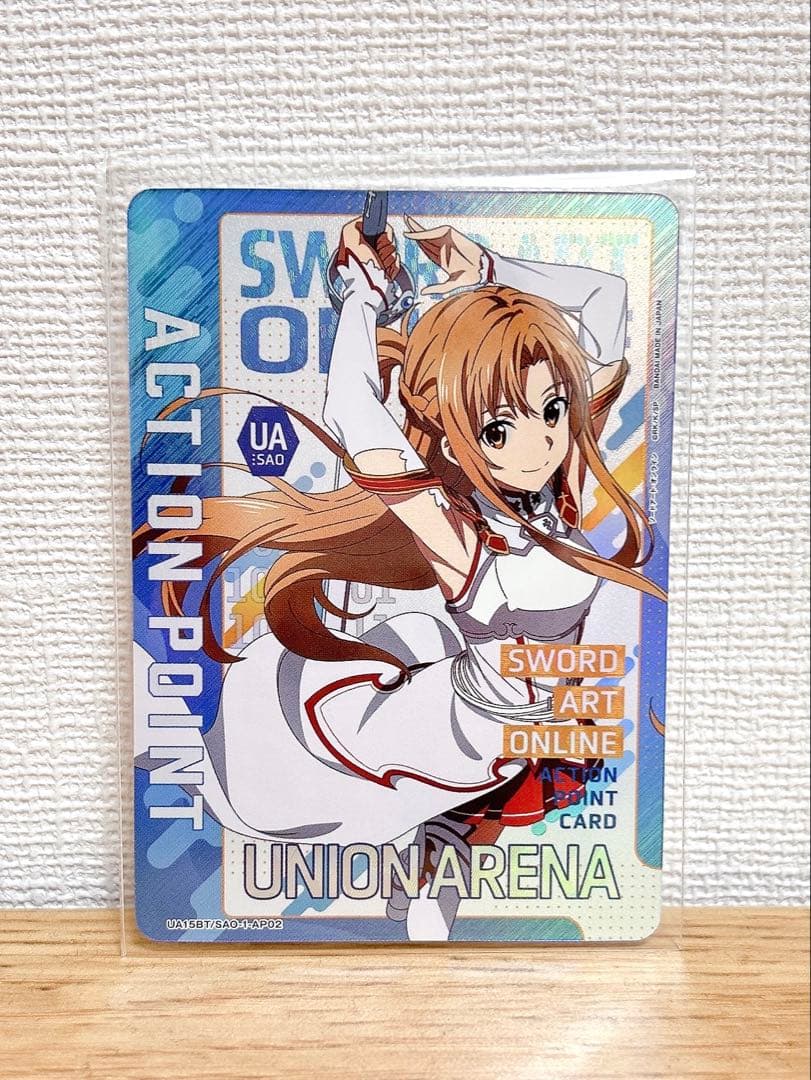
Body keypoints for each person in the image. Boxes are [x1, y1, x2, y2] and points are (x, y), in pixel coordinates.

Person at [135, 214, 665, 940]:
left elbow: (608, 298)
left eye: (550, 411)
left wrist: (485, 266)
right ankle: (194, 761)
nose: (539, 442)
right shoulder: (463, 538)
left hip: (513, 743)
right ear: (454, 432)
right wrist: (362, 297)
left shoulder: (560, 486)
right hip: (452, 726)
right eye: (498, 429)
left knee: (435, 764)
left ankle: (434, 863)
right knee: (271, 779)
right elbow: (354, 411)